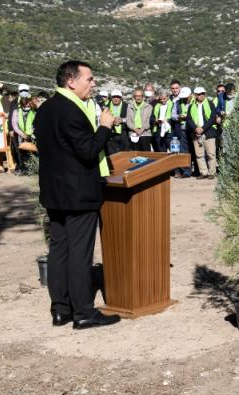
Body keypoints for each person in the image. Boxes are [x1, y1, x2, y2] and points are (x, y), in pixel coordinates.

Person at [34, 60, 122, 330]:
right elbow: (87, 151)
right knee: (80, 254)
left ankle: (60, 310)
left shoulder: (45, 109)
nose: (93, 83)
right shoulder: (72, 111)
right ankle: (84, 312)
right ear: (71, 81)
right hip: (78, 194)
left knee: (59, 250)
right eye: (90, 79)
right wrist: (105, 126)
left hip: (54, 193)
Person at [186, 87, 220, 177]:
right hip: (196, 133)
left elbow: (213, 118)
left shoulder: (210, 104)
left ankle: (212, 172)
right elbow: (189, 119)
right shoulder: (191, 106)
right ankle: (203, 172)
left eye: (202, 93)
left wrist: (203, 128)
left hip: (209, 132)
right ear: (195, 95)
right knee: (199, 154)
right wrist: (195, 128)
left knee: (211, 154)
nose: (201, 95)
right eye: (199, 94)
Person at [125, 87, 153, 152]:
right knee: (135, 155)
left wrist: (142, 129)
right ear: (134, 97)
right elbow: (128, 120)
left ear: (143, 97)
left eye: (140, 96)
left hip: (145, 134)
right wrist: (135, 129)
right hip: (133, 133)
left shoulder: (149, 107)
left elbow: (149, 120)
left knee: (146, 155)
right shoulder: (130, 107)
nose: (138, 97)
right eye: (136, 96)